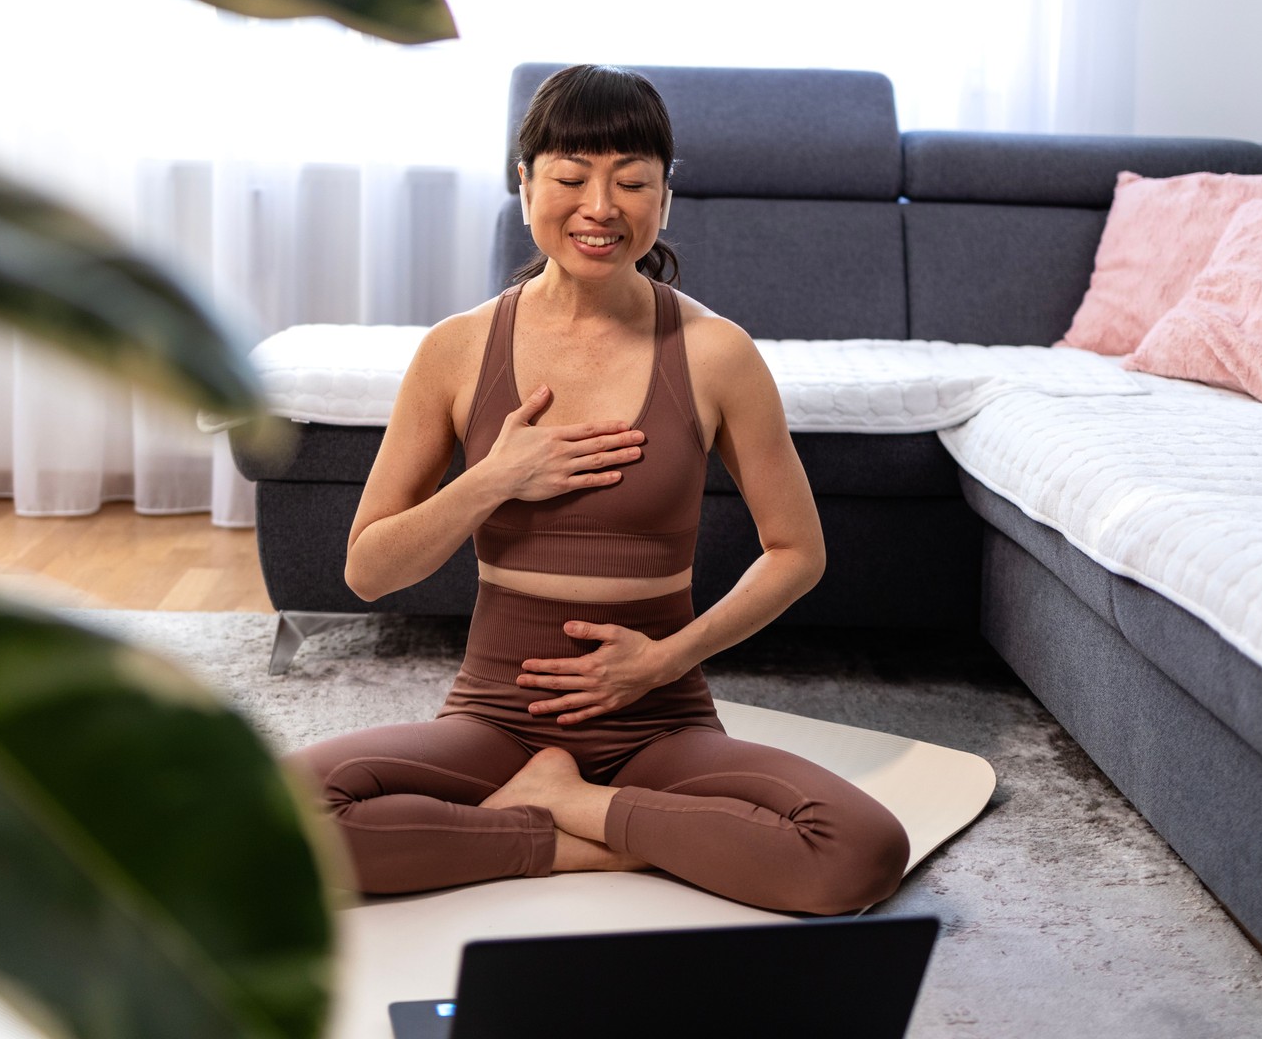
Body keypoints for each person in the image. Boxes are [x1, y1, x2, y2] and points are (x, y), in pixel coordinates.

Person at [292, 65, 909, 915]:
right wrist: (495, 479)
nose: (601, 206)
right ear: (524, 182)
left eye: (632, 181)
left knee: (860, 852)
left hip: (657, 718)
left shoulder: (716, 351)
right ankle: (583, 843)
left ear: (665, 197)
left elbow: (797, 553)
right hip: (496, 716)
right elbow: (368, 570)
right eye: (572, 176)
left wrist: (664, 659)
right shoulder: (458, 349)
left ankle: (578, 806)